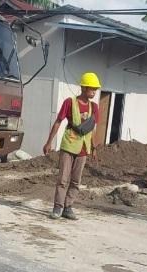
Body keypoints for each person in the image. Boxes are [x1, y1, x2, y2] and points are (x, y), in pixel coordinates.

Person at [42, 72, 102, 220]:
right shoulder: (70, 102)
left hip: (83, 149)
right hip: (69, 145)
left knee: (76, 180)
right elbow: (58, 122)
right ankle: (58, 207)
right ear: (83, 88)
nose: (94, 92)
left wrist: (93, 148)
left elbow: (93, 129)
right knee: (62, 178)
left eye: (95, 89)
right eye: (92, 89)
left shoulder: (94, 107)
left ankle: (68, 207)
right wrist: (49, 142)